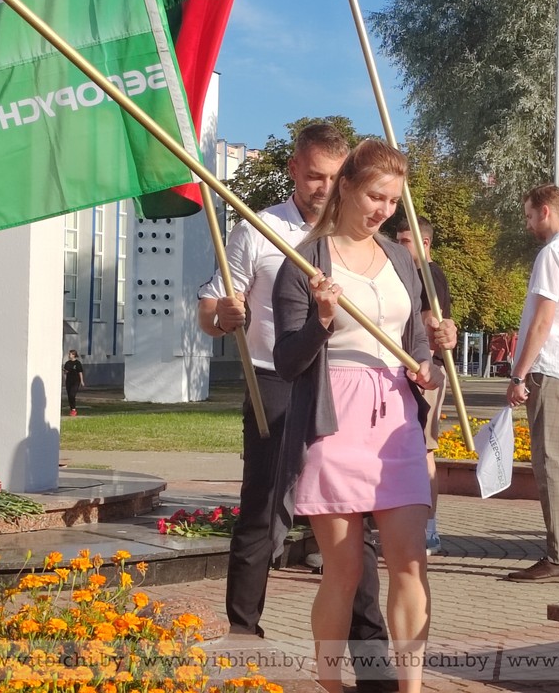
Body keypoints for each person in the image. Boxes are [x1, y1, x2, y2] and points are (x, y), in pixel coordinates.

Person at [197, 124, 396, 692]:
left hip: (345, 388)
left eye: (334, 177)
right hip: (275, 382)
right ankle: (244, 635)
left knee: (354, 523)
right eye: (313, 176)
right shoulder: (257, 228)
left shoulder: (359, 237)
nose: (323, 188)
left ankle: (373, 664)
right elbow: (211, 308)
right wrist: (222, 318)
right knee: (263, 509)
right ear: (293, 169)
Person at [273, 139, 452, 693]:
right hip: (334, 422)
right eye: (376, 196)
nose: (383, 210)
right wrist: (322, 320)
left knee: (411, 563)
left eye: (393, 201)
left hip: (395, 422)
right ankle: (330, 684)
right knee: (345, 571)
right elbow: (287, 361)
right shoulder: (305, 262)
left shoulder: (401, 260)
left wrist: (429, 364)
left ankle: (411, 688)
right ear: (346, 186)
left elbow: (415, 341)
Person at [505, 184, 559, 583]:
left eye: (529, 215)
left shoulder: (553, 253)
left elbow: (543, 320)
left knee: (548, 462)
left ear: (545, 211)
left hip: (550, 367)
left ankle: (558, 555)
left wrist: (519, 373)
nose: (527, 225)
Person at [396, 216, 452, 556]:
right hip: (414, 369)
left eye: (405, 241)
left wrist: (422, 367)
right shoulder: (412, 274)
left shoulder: (430, 276)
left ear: (423, 242)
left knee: (424, 448)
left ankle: (429, 529)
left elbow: (431, 323)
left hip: (425, 371)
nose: (399, 247)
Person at [63, 350, 85, 416]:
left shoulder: (77, 363)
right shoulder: (67, 363)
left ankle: (73, 409)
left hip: (76, 381)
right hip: (69, 381)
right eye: (69, 354)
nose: (69, 355)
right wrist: (65, 372)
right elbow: (65, 372)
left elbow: (80, 372)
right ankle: (72, 409)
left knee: (72, 395)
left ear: (74, 355)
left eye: (70, 354)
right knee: (69, 396)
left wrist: (82, 381)